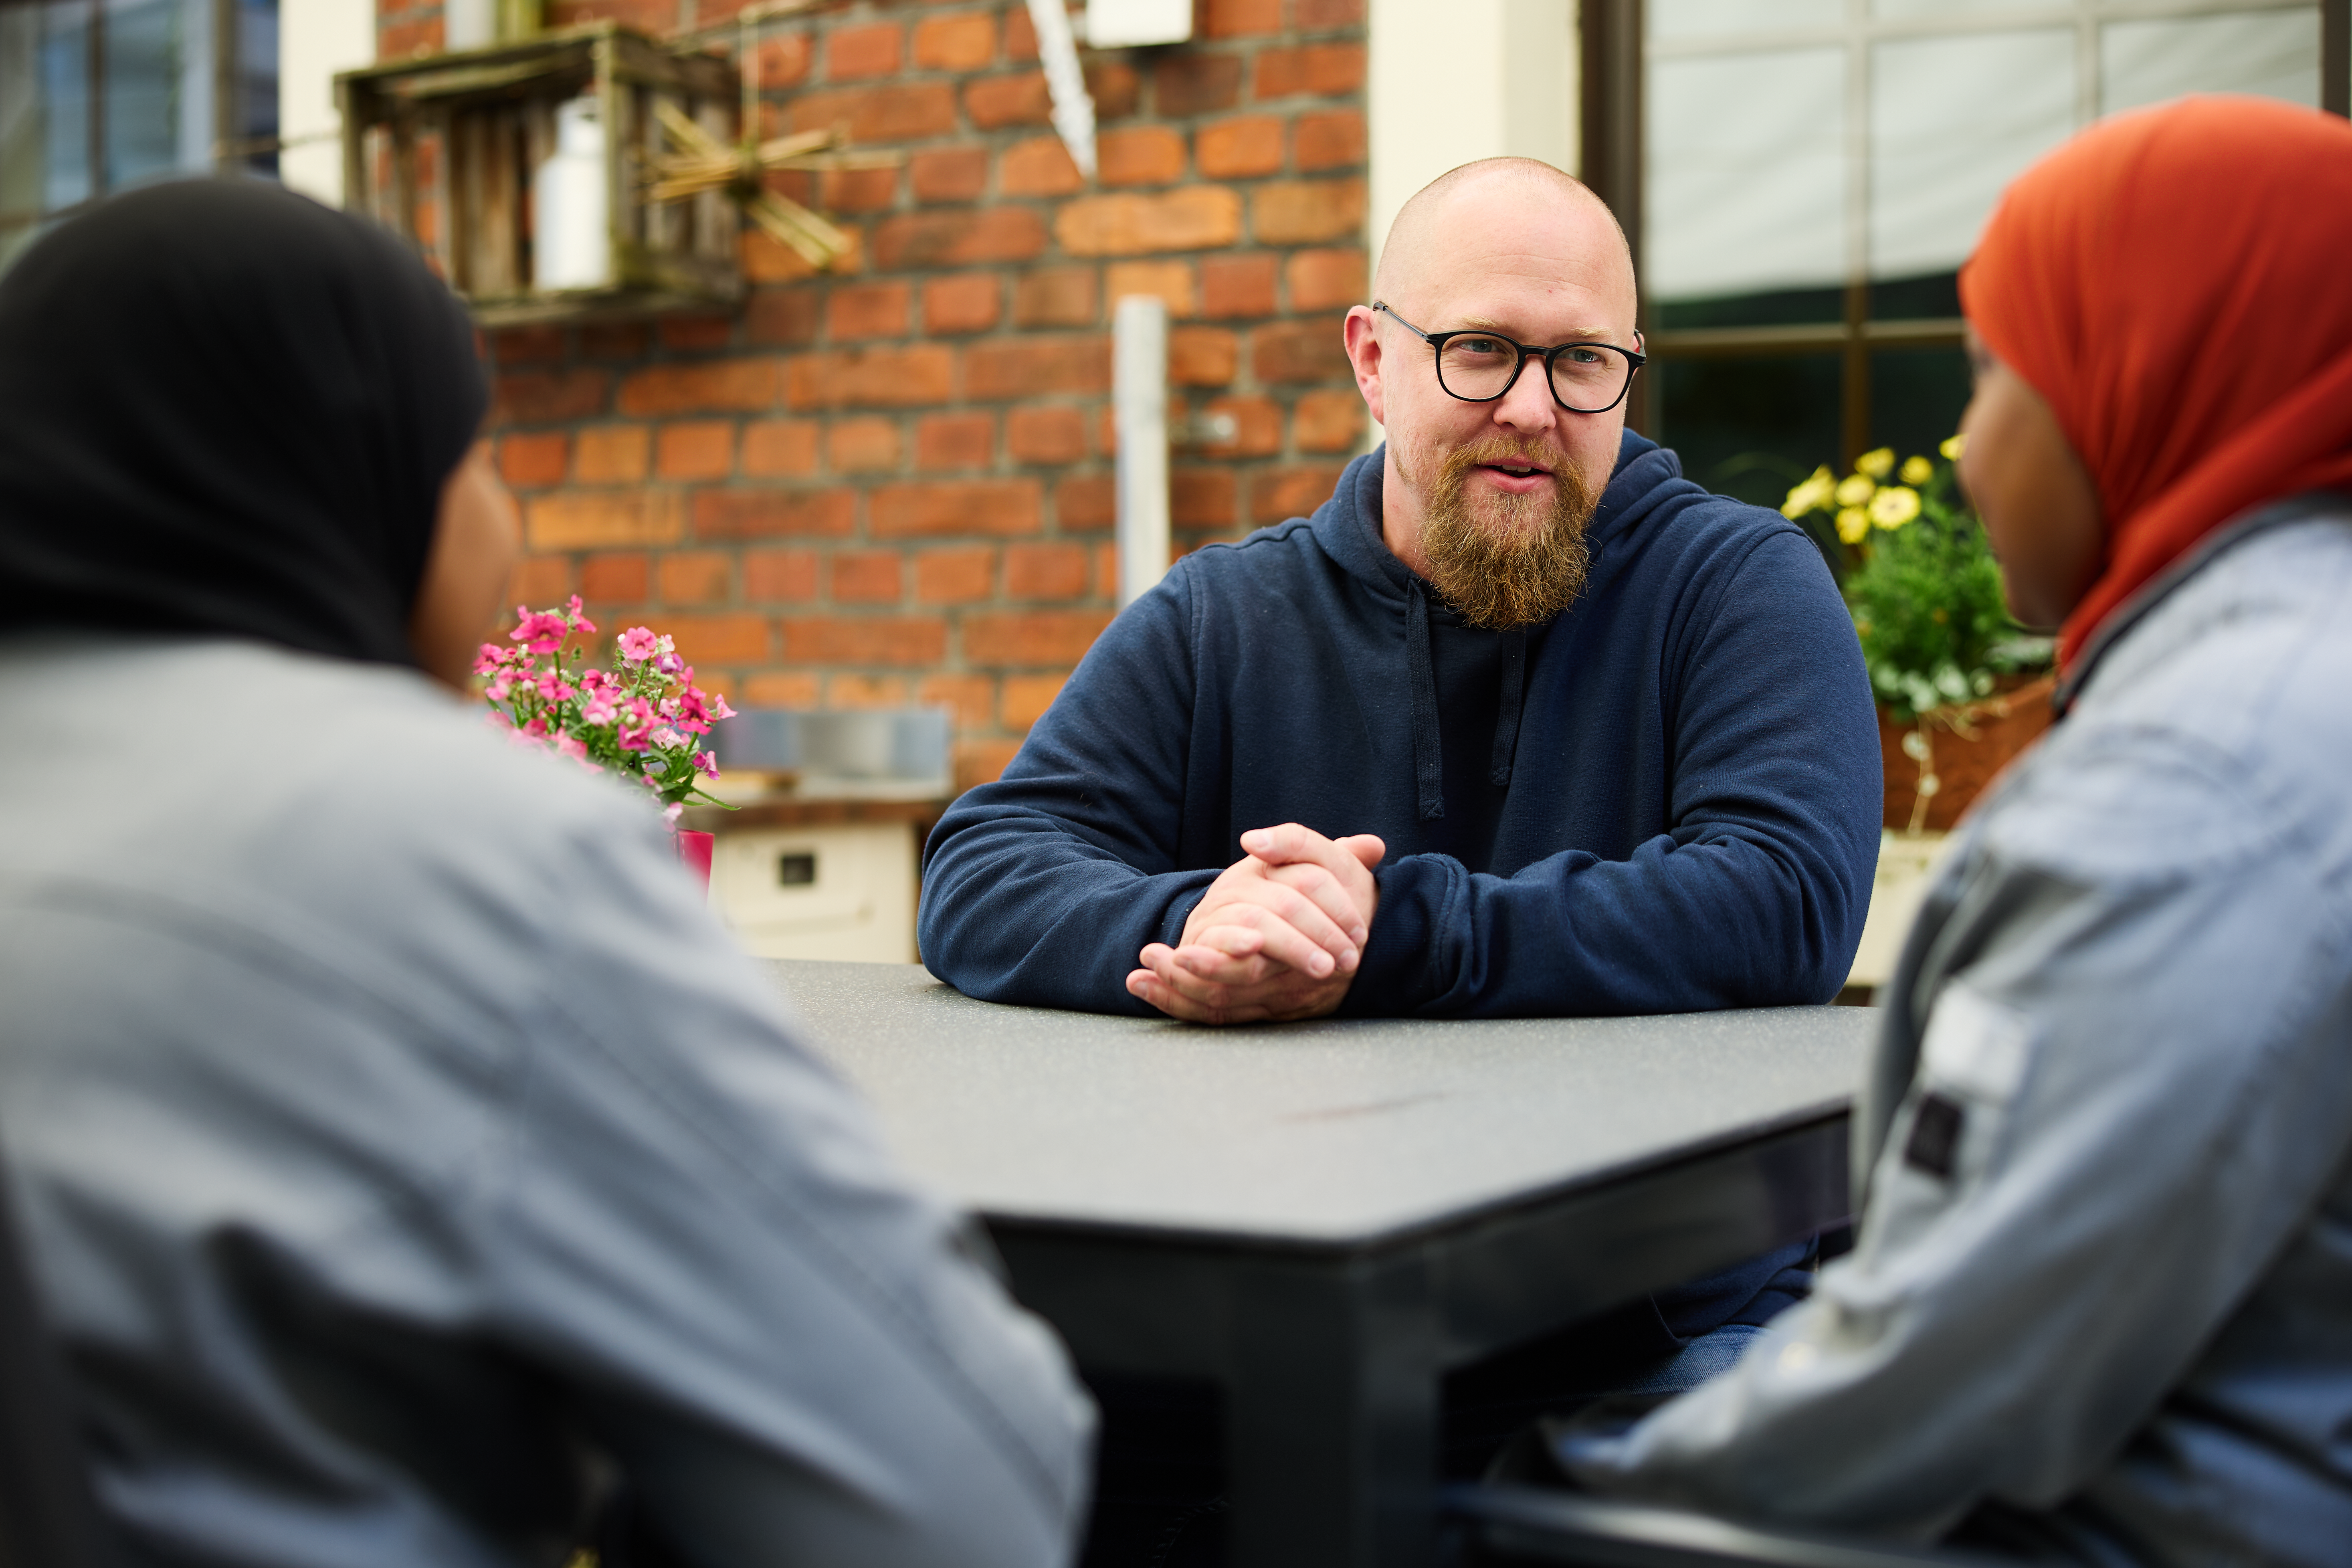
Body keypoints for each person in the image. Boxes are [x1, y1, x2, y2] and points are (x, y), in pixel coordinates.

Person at [0, 180, 1093, 1568]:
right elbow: (962, 1503)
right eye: (482, 455)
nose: (504, 531)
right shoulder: (463, 844)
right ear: (366, 477)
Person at [1528, 97, 2352, 1566]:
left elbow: (1961, 1362)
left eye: (1989, 374)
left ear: (2144, 379)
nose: (1963, 453)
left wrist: (1557, 1491)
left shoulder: (2200, 787)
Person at [919, 156, 1881, 1028]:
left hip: (1650, 1217)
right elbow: (981, 873)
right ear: (1374, 362)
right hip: (1319, 1200)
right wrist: (1212, 919)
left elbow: (1786, 900)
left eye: (1583, 359)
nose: (1533, 409)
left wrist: (1388, 934)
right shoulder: (1229, 618)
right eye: (1482, 348)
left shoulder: (1733, 585)